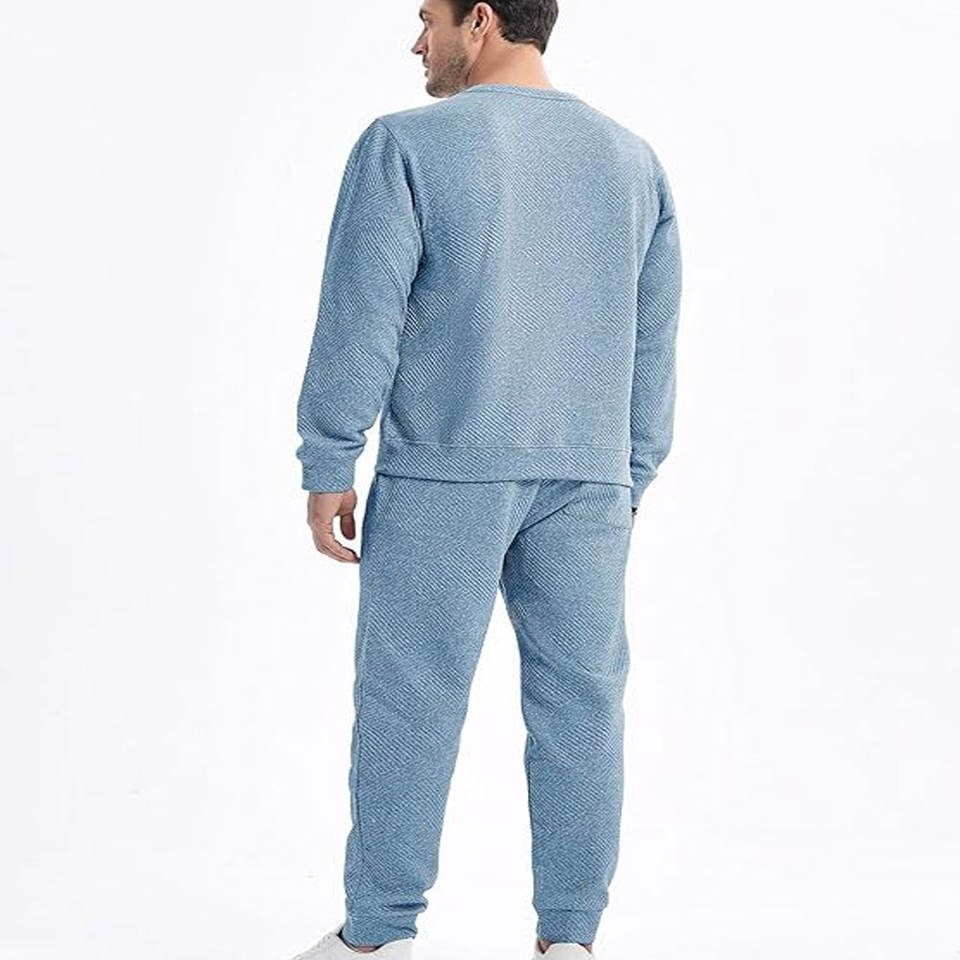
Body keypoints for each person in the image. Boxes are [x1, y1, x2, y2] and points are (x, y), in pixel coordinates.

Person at [290, 1, 682, 957]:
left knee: (408, 704)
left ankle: (379, 937)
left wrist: (330, 456)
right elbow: (654, 337)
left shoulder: (406, 145)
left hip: (446, 470)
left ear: (481, 19)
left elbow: (362, 314)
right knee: (582, 710)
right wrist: (628, 472)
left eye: (426, 18)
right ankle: (570, 941)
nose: (415, 41)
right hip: (588, 480)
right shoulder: (632, 162)